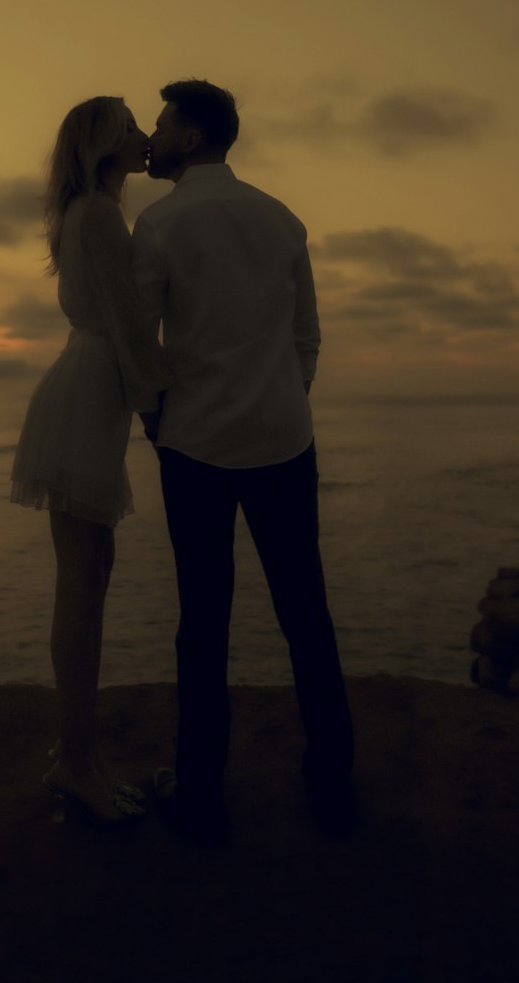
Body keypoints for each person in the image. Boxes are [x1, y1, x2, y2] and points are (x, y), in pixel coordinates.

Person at [132, 79, 355, 844]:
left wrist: (158, 423)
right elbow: (306, 338)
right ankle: (334, 788)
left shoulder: (159, 224)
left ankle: (202, 801)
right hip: (285, 443)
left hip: (195, 446)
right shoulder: (281, 218)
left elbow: (139, 344)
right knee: (307, 616)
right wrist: (280, 401)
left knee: (204, 624)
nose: (152, 138)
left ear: (191, 137)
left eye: (161, 125)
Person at [11, 96, 172, 825]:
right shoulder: (101, 217)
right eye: (131, 126)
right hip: (88, 397)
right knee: (82, 583)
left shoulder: (86, 214)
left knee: (88, 575)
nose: (143, 137)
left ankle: (74, 756)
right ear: (101, 143)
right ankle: (77, 764)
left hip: (84, 394)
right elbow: (132, 326)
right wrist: (161, 411)